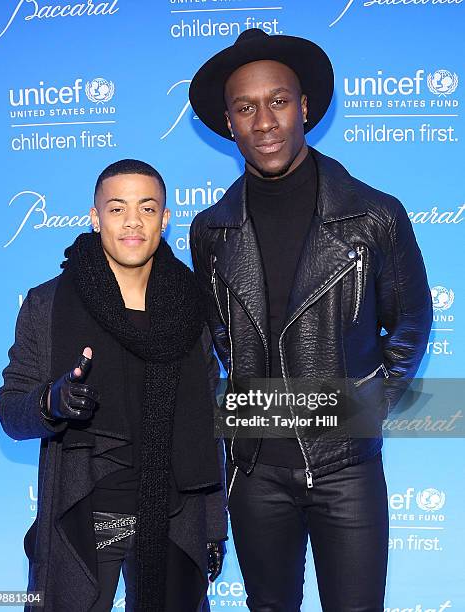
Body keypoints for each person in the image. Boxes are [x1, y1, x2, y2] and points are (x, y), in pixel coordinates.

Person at [188, 29, 432, 611]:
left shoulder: (374, 216)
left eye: (278, 101)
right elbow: (214, 338)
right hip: (252, 475)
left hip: (347, 470)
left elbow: (411, 322)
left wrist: (363, 409)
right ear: (228, 122)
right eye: (245, 107)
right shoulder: (211, 232)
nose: (264, 121)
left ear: (305, 107)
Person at [0, 159, 227, 612]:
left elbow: (208, 425)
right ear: (94, 216)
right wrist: (52, 402)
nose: (132, 222)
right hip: (89, 516)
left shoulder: (191, 308)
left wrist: (214, 526)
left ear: (164, 218)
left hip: (172, 519)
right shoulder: (48, 304)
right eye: (117, 208)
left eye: (146, 208)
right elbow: (10, 412)